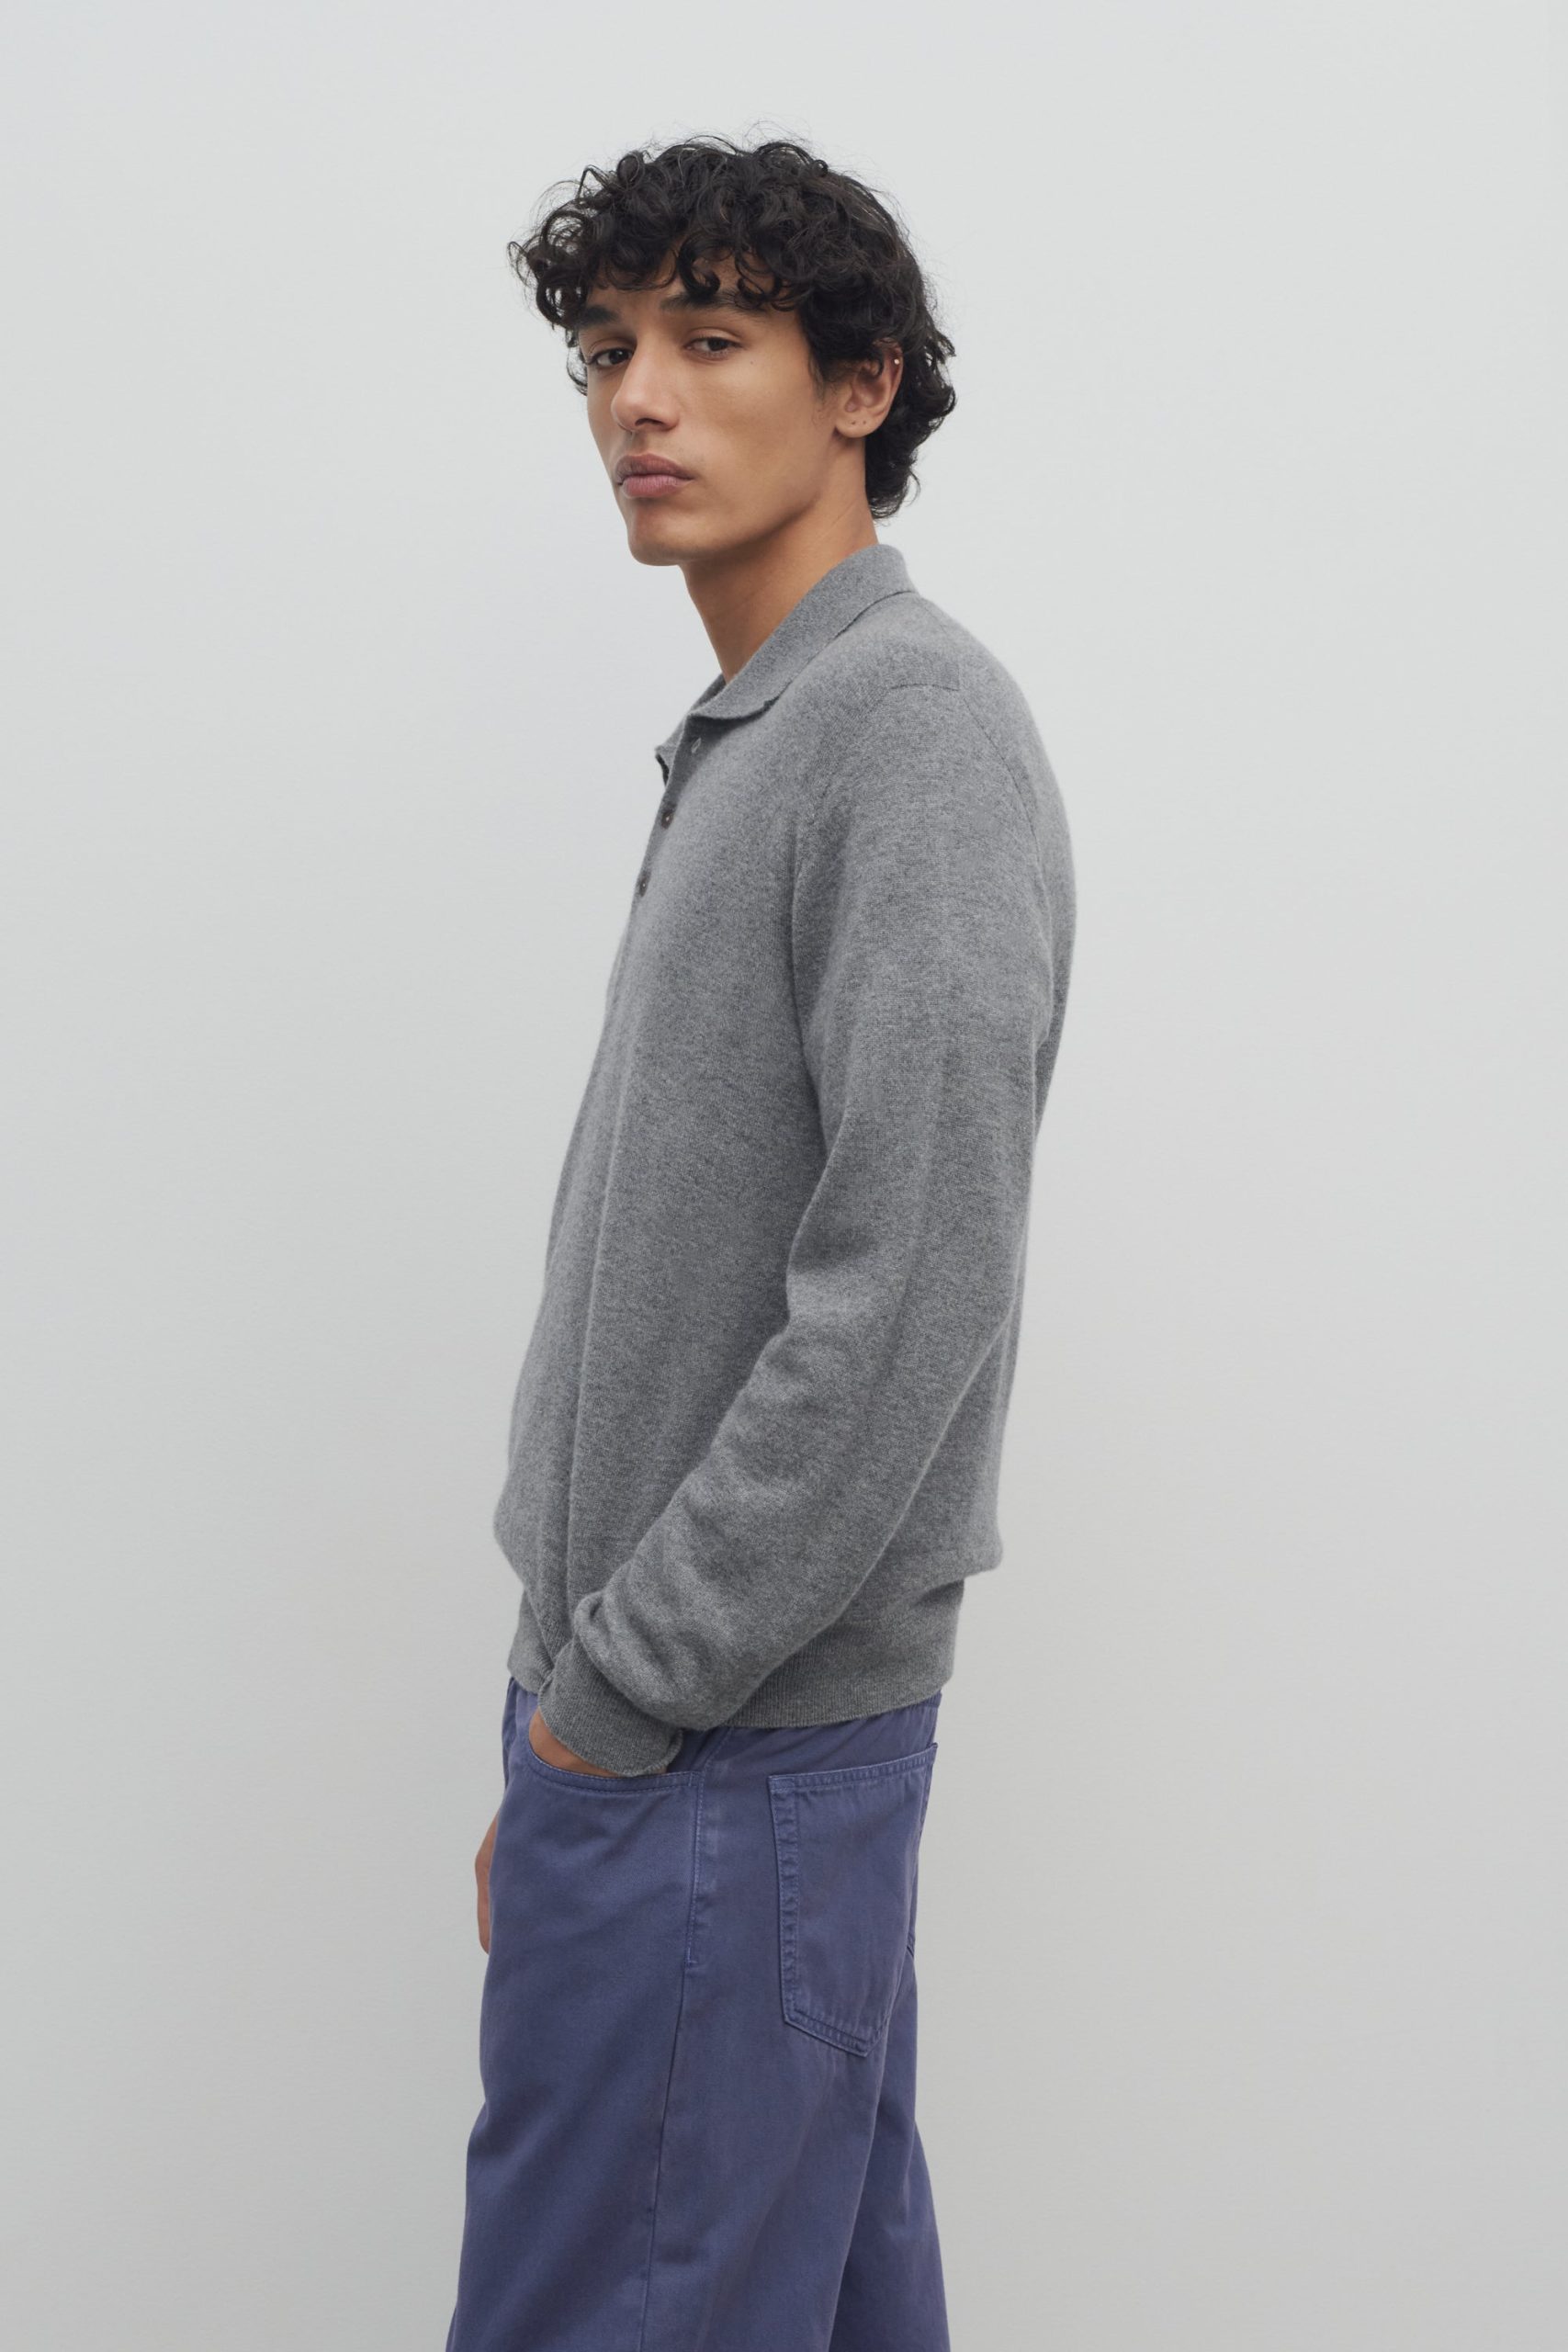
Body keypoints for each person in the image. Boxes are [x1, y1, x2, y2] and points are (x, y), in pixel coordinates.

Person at [444, 132, 1077, 2352]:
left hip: (721, 1742)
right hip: (682, 1730)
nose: (636, 396)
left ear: (858, 384)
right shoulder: (768, 726)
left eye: (710, 340)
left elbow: (907, 1282)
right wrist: (576, 1704)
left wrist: (610, 1709)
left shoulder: (903, 729)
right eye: (608, 349)